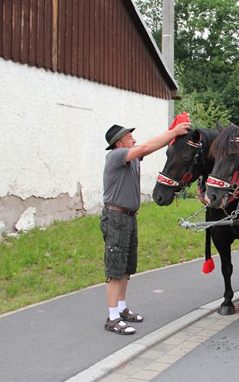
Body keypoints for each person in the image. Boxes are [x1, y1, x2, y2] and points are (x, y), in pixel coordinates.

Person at [101, 117, 190, 335]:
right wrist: (174, 132)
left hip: (129, 218)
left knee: (126, 267)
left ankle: (121, 308)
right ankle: (112, 318)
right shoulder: (116, 155)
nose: (134, 140)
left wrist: (172, 133)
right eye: (129, 137)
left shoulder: (131, 159)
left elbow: (149, 147)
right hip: (116, 218)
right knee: (115, 268)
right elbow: (146, 147)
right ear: (119, 143)